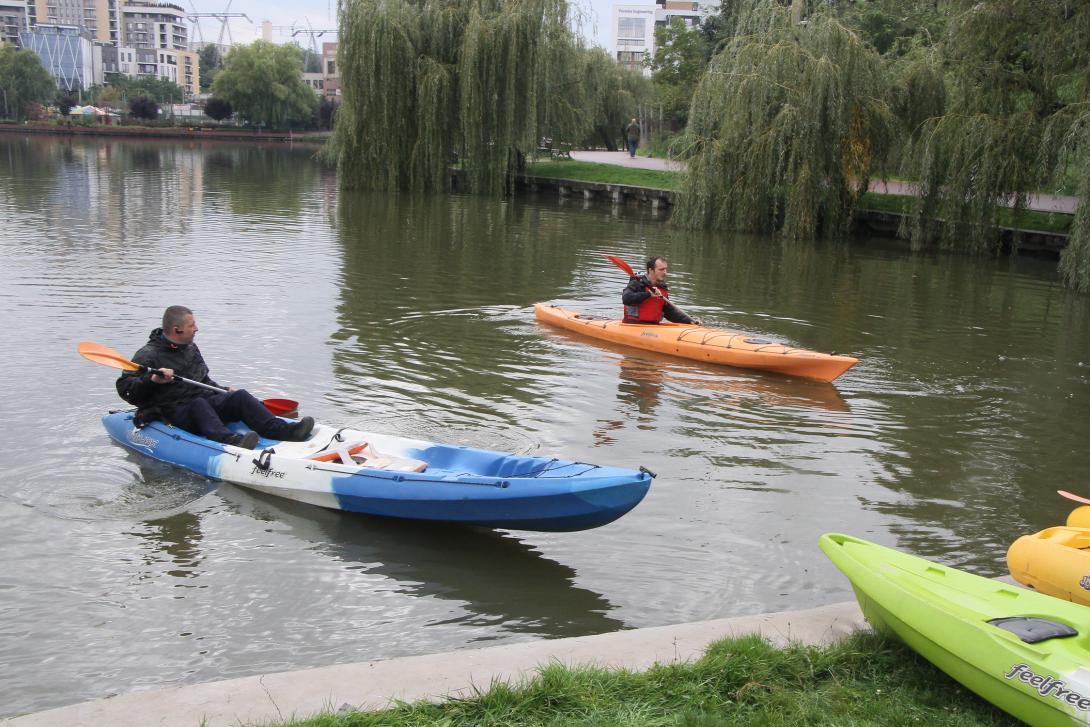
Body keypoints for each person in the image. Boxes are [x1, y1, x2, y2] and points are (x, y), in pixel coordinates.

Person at [116, 306, 314, 449]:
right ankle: (230, 441)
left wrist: (225, 390)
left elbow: (204, 381)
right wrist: (152, 380)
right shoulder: (147, 355)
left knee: (240, 395)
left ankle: (284, 431)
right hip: (174, 411)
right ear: (178, 330)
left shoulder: (191, 348)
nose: (196, 328)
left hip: (202, 401)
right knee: (199, 404)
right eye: (192, 325)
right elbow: (126, 389)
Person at [621, 256, 703, 326]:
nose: (665, 273)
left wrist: (689, 321)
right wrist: (647, 294)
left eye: (665, 269)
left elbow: (669, 312)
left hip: (654, 327)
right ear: (651, 270)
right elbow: (626, 298)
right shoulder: (637, 283)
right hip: (634, 325)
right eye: (661, 269)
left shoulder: (662, 287)